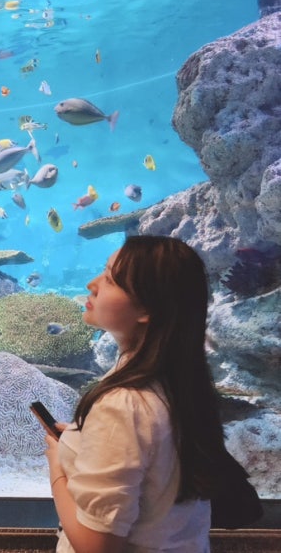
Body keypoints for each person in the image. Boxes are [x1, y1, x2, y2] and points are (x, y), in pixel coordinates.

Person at [44, 235, 226, 552]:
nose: (91, 284)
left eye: (110, 279)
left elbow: (97, 547)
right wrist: (85, 439)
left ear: (146, 309)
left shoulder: (122, 405)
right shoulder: (177, 383)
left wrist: (57, 466)